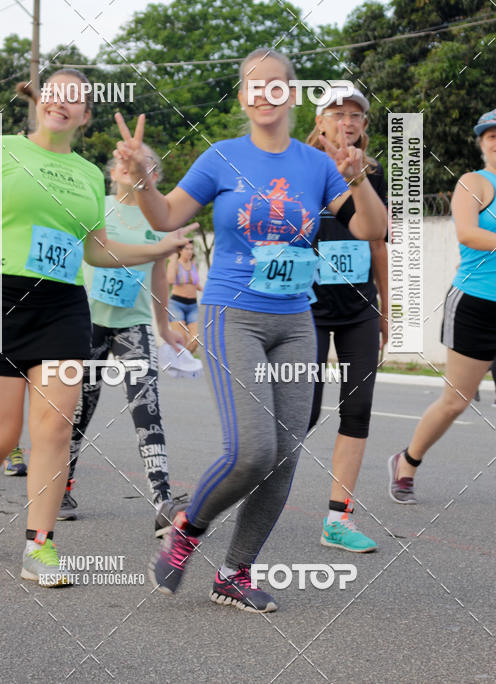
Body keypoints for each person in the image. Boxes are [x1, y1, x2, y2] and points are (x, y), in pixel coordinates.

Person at [114, 48, 386, 612]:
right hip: (232, 314)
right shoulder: (222, 157)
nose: (265, 95)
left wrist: (358, 179)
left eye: (276, 85)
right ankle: (189, 527)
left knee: (286, 455)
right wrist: (141, 179)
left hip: (296, 322)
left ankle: (235, 572)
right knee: (253, 450)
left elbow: (370, 228)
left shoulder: (318, 166)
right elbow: (164, 216)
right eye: (254, 86)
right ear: (243, 97)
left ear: (291, 94)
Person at [0, 69, 196, 587]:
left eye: (75, 98)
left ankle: (40, 546)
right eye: (55, 93)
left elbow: (97, 249)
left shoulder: (88, 174)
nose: (62, 102)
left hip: (62, 305)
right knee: (0, 437)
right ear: (40, 101)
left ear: (85, 116)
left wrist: (158, 248)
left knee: (53, 427)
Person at [58, 148, 189, 534]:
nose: (130, 167)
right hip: (88, 323)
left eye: (142, 163)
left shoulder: (159, 216)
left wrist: (164, 327)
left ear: (154, 176)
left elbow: (160, 275)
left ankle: (162, 500)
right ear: (113, 171)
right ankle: (61, 486)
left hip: (133, 325)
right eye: (123, 162)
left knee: (147, 408)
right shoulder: (96, 206)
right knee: (79, 410)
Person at [389, 109, 496, 502]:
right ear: (482, 144)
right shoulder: (474, 182)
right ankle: (407, 462)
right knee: (456, 400)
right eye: (491, 136)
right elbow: (468, 233)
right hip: (476, 306)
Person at [306, 87, 388, 552]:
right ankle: (255, 493)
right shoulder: (301, 167)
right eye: (337, 113)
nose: (348, 121)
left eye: (356, 114)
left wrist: (385, 309)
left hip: (359, 309)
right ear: (319, 121)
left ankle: (338, 520)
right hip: (308, 308)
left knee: (357, 410)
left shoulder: (372, 175)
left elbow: (378, 243)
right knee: (303, 410)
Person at [167, 241, 203, 354]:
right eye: (187, 249)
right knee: (182, 339)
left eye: (191, 249)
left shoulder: (194, 265)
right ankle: (182, 360)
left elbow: (196, 285)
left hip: (192, 305)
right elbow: (170, 280)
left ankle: (184, 359)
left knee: (195, 340)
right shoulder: (175, 264)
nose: (190, 251)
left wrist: (209, 292)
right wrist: (172, 260)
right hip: (176, 305)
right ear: (180, 251)